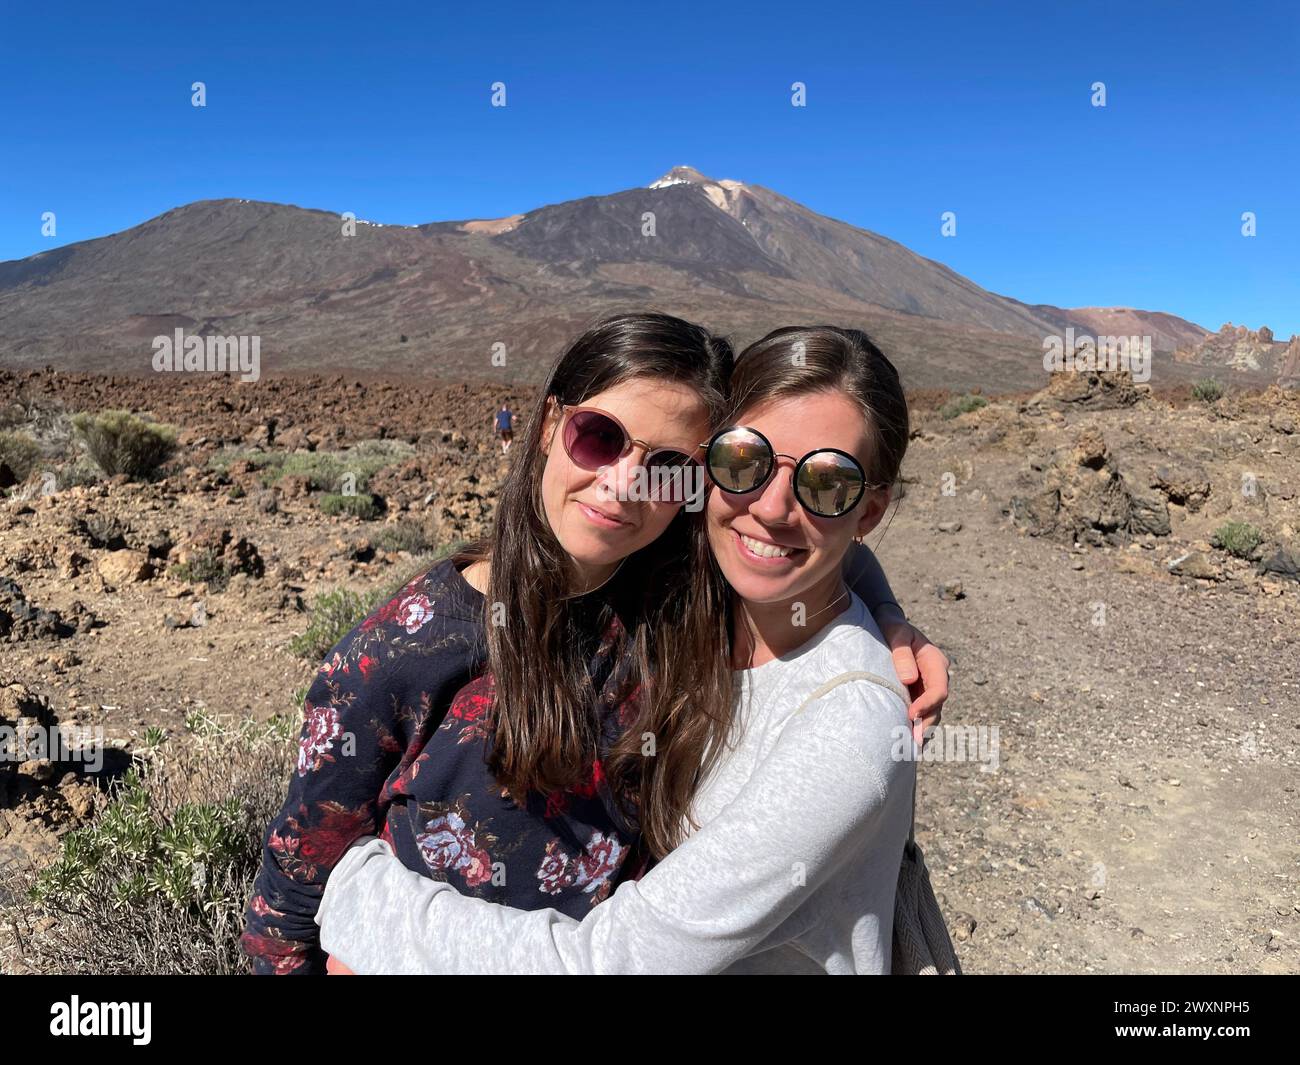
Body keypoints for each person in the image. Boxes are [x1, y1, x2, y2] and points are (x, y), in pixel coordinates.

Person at [242, 313, 947, 974]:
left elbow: (791, 532)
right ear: (549, 423)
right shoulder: (403, 646)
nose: (622, 483)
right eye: (600, 437)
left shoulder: (676, 593)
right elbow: (292, 888)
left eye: (669, 462)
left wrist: (364, 900)